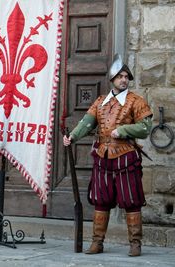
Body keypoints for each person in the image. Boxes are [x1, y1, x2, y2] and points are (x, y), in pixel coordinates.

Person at [63, 54, 153, 257]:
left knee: (131, 200)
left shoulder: (136, 101)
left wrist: (124, 131)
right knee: (101, 200)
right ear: (112, 79)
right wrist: (72, 137)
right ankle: (97, 242)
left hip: (126, 156)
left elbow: (145, 128)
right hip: (102, 156)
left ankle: (135, 243)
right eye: (120, 76)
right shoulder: (100, 102)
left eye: (126, 76)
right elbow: (87, 123)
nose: (123, 79)